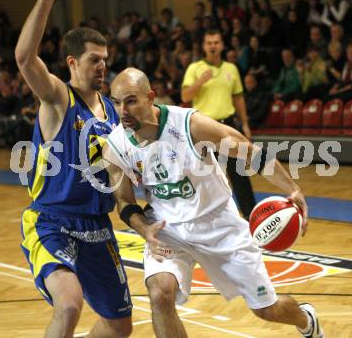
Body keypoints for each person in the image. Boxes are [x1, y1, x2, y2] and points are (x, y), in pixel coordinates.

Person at [103, 67, 325, 338]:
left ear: (150, 97)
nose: (122, 110)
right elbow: (124, 202)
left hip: (220, 226)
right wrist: (143, 229)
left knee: (267, 309)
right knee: (160, 294)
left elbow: (249, 152)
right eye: (116, 102)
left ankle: (306, 320)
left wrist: (293, 188)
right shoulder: (114, 145)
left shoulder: (189, 125)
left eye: (131, 101)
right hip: (167, 230)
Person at [15, 0, 133, 337]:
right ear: (71, 62)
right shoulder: (57, 98)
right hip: (53, 221)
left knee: (119, 326)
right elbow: (24, 58)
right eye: (94, 59)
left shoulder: (112, 112)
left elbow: (117, 175)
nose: (102, 67)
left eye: (105, 60)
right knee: (68, 305)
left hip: (98, 228)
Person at [181, 29, 256, 219]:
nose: (213, 46)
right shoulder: (195, 68)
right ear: (204, 46)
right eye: (209, 43)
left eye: (216, 42)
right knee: (204, 175)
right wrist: (200, 82)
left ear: (222, 45)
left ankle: (251, 216)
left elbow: (238, 99)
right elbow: (185, 96)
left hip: (228, 126)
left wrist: (245, 124)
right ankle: (204, 218)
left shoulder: (231, 68)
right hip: (203, 128)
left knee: (239, 174)